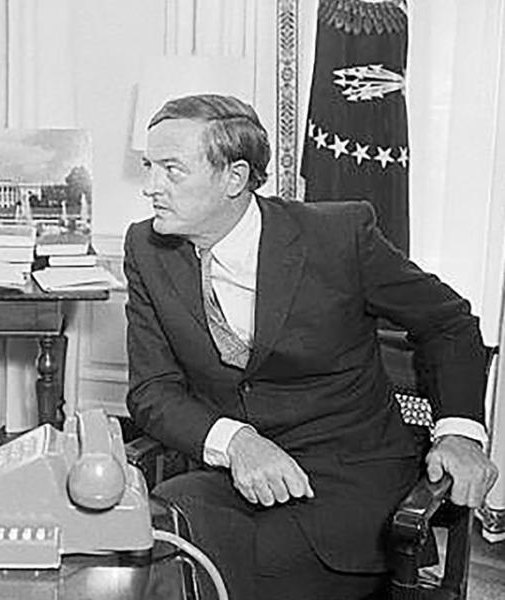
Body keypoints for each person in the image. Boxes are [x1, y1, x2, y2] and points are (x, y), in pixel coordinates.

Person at [124, 94, 498, 599]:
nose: (150, 187)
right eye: (149, 166)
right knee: (159, 547)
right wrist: (237, 443)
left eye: (171, 169)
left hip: (347, 493)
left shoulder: (338, 236)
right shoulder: (147, 249)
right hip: (232, 482)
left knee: (202, 579)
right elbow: (153, 390)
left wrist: (460, 434)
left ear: (234, 178)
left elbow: (449, 323)